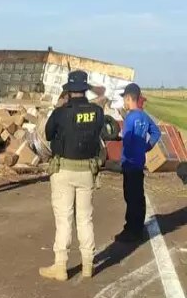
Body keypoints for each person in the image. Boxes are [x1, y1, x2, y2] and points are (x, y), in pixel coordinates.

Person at [40, 71, 104, 281]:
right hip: (87, 170)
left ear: (68, 90)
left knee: (64, 219)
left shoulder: (61, 112)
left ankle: (60, 267)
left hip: (64, 170)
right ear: (85, 88)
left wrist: (59, 110)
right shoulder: (97, 111)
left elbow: (48, 134)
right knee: (85, 219)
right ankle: (87, 265)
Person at [114, 83, 161, 243]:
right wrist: (146, 147)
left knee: (131, 197)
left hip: (130, 163)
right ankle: (137, 227)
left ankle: (132, 231)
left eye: (124, 100)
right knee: (138, 196)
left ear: (129, 98)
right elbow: (156, 132)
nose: (124, 104)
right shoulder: (144, 116)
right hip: (139, 162)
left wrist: (123, 157)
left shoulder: (130, 118)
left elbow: (127, 140)